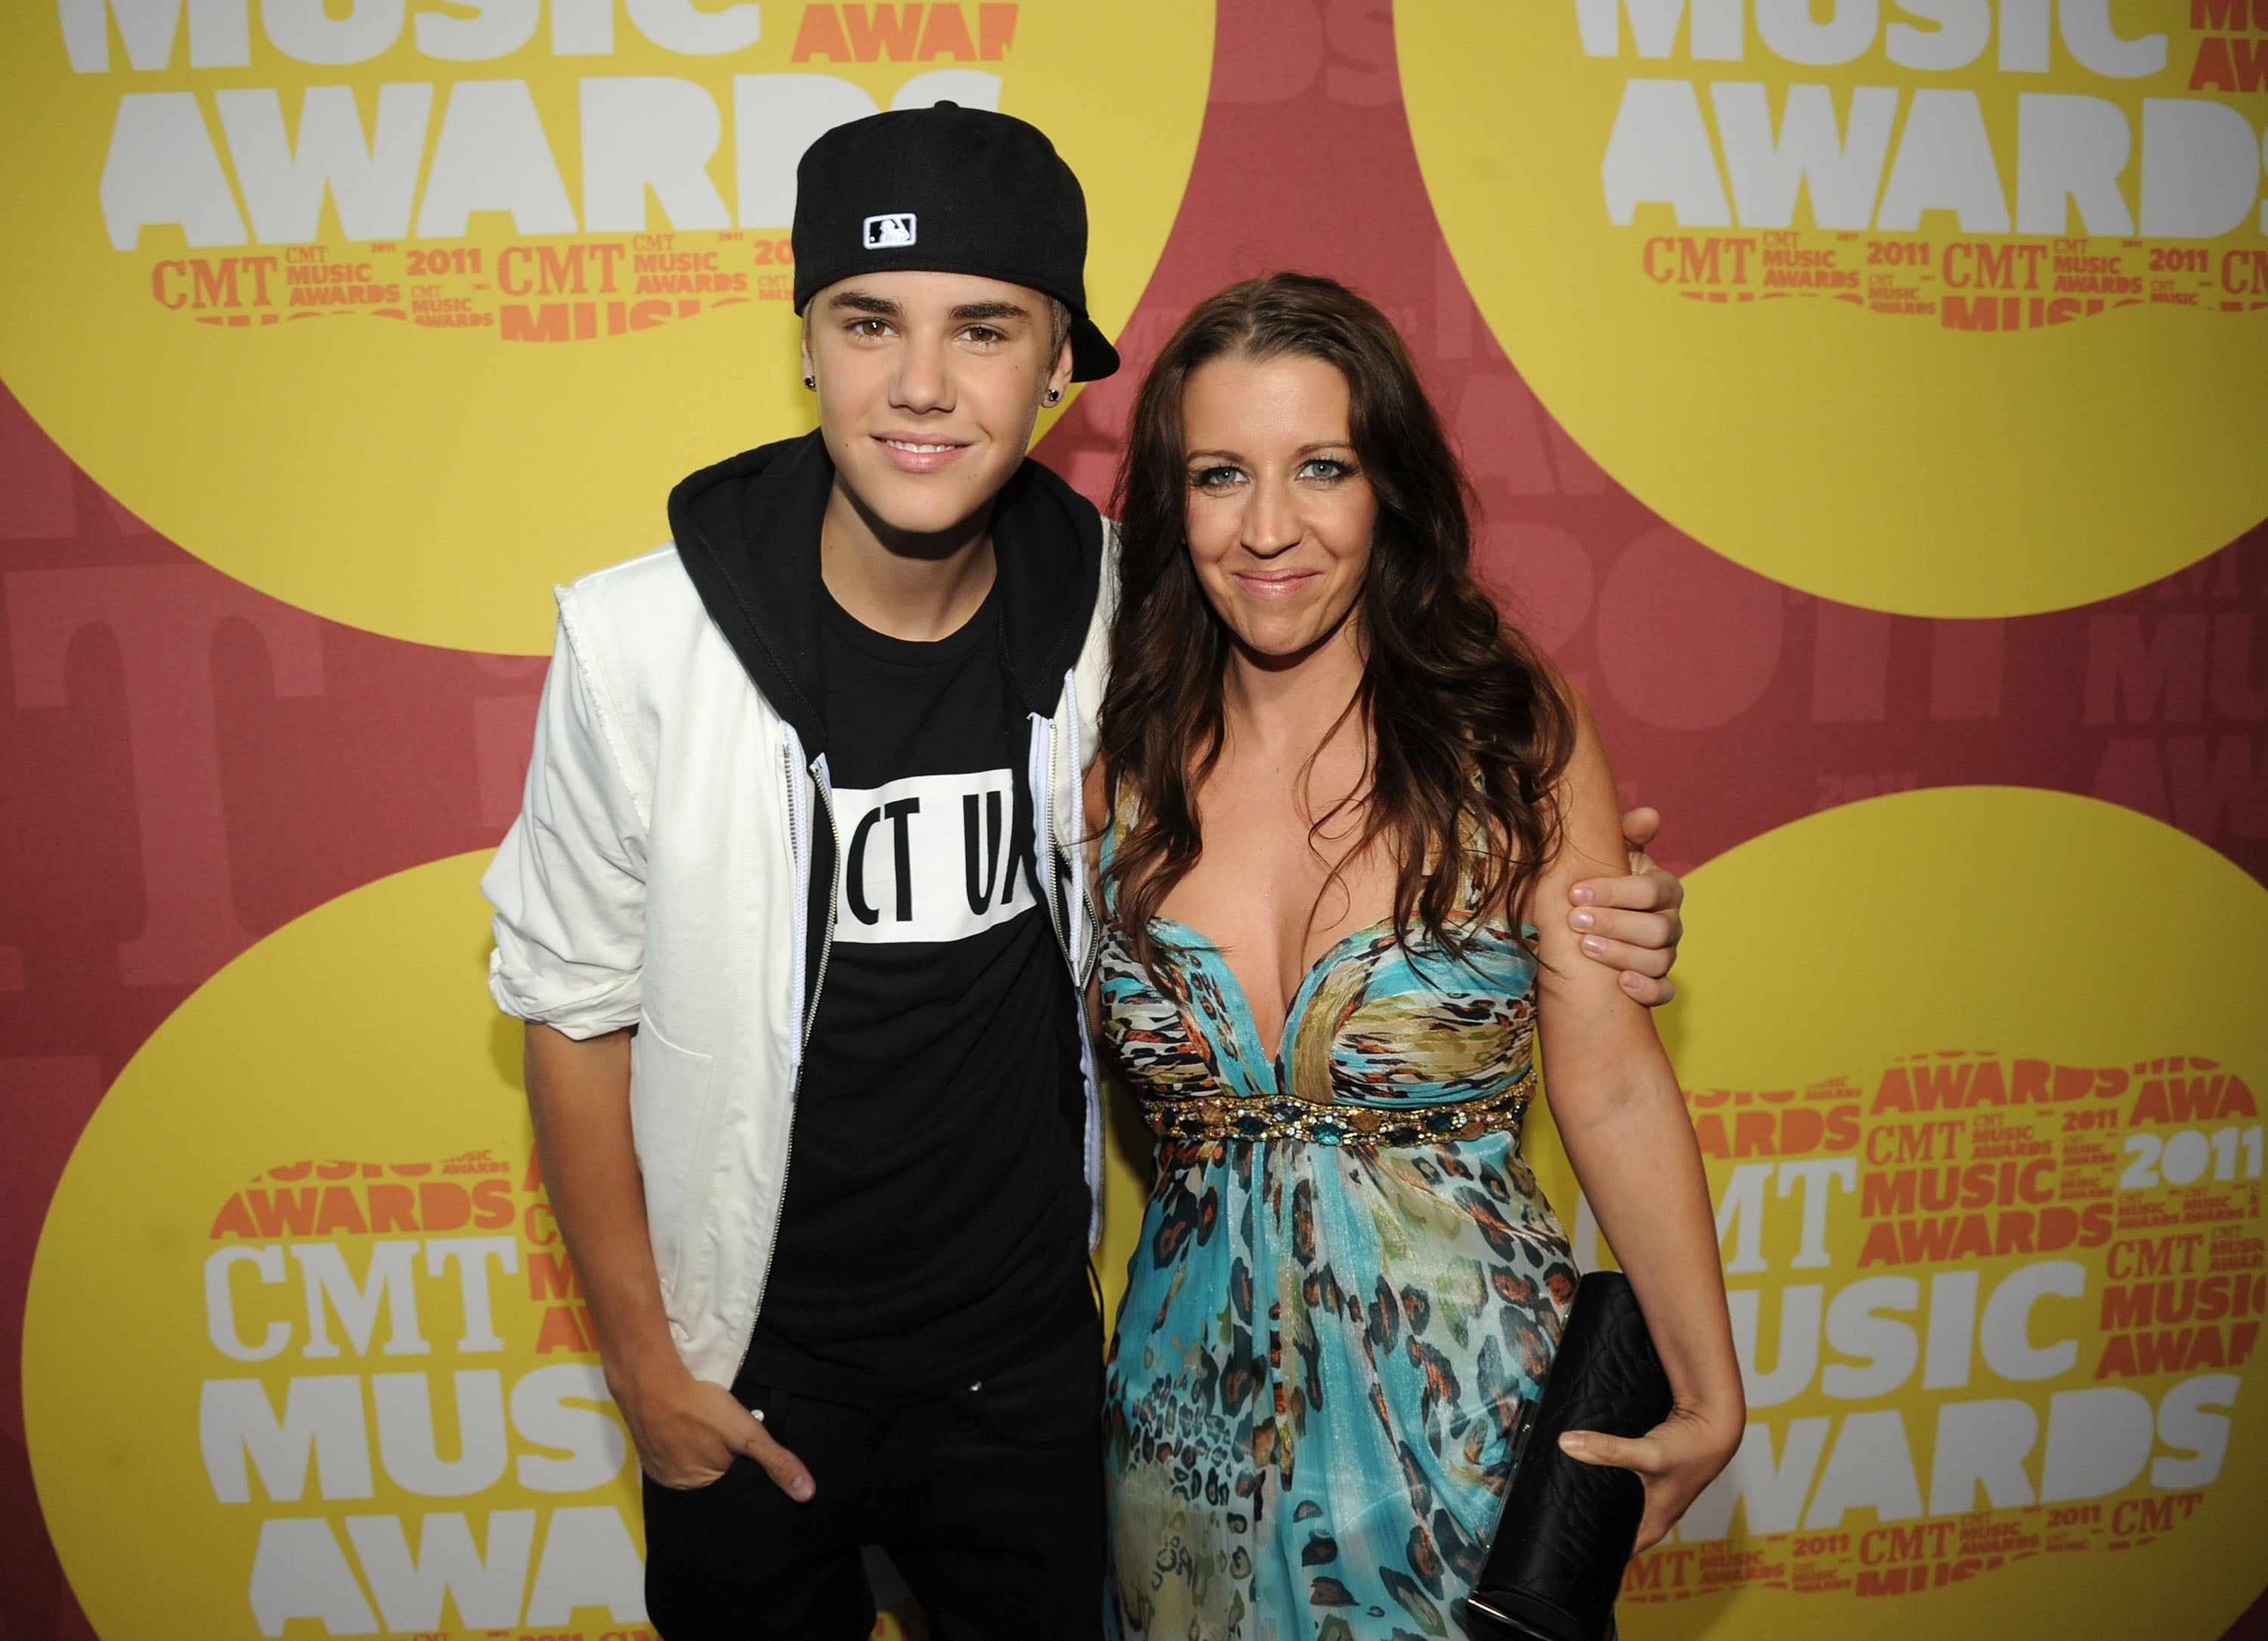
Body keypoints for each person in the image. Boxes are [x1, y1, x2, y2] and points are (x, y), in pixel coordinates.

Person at [483, 107, 1689, 1641]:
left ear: (1060, 364)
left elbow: (1395, 749)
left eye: (984, 328)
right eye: (870, 322)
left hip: (1031, 1385)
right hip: (747, 1375)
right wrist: (644, 1362)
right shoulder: (637, 644)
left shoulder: (1136, 620)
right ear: (806, 343)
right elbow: (569, 1007)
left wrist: (1580, 899)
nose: (922, 382)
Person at [1091, 274, 1743, 1639]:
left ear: (1389, 482)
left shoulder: (1506, 729)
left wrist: (1706, 1384)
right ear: (1172, 501)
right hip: (1183, 1437)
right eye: (1221, 474)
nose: (1270, 527)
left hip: (1473, 1431)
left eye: (1322, 467)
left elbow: (1614, 1075)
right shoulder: (1113, 758)